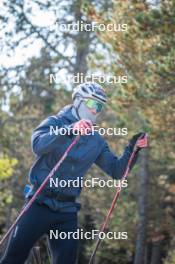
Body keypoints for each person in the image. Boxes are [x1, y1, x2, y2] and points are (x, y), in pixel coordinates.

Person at [0, 82, 147, 264]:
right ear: (78, 101)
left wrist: (132, 148)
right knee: (13, 259)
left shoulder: (96, 141)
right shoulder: (55, 122)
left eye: (100, 107)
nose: (95, 110)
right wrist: (70, 130)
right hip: (38, 203)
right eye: (93, 104)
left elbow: (117, 171)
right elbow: (38, 145)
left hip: (66, 211)